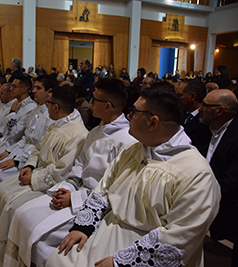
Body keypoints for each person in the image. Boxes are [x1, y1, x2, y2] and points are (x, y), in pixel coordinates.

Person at [47, 83, 221, 267]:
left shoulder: (196, 174)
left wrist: (120, 262)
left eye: (134, 111)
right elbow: (103, 189)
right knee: (57, 261)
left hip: (144, 247)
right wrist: (83, 227)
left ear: (153, 122)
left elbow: (183, 234)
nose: (128, 116)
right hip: (106, 229)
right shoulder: (133, 150)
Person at [4, 78, 136, 267]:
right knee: (23, 214)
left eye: (94, 100)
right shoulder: (96, 131)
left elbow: (114, 188)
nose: (89, 103)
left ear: (108, 106)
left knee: (37, 237)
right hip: (76, 192)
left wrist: (75, 198)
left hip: (95, 205)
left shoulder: (127, 142)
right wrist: (67, 188)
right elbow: (80, 165)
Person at [0, 85, 88, 266]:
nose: (45, 107)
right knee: (1, 189)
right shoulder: (55, 123)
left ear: (56, 107)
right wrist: (30, 165)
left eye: (48, 103)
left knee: (13, 206)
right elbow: (39, 147)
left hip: (52, 183)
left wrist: (33, 178)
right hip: (37, 172)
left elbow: (61, 170)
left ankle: (10, 257)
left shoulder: (78, 133)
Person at [0, 75, 57, 232]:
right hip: (18, 149)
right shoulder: (36, 109)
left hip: (30, 158)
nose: (33, 91)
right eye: (34, 87)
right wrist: (9, 152)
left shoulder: (46, 114)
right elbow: (26, 138)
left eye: (37, 88)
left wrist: (16, 160)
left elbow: (29, 141)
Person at [192, 89, 238, 267]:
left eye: (205, 106)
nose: (200, 109)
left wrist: (200, 193)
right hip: (200, 194)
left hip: (226, 202)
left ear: (220, 110)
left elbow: (232, 180)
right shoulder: (202, 129)